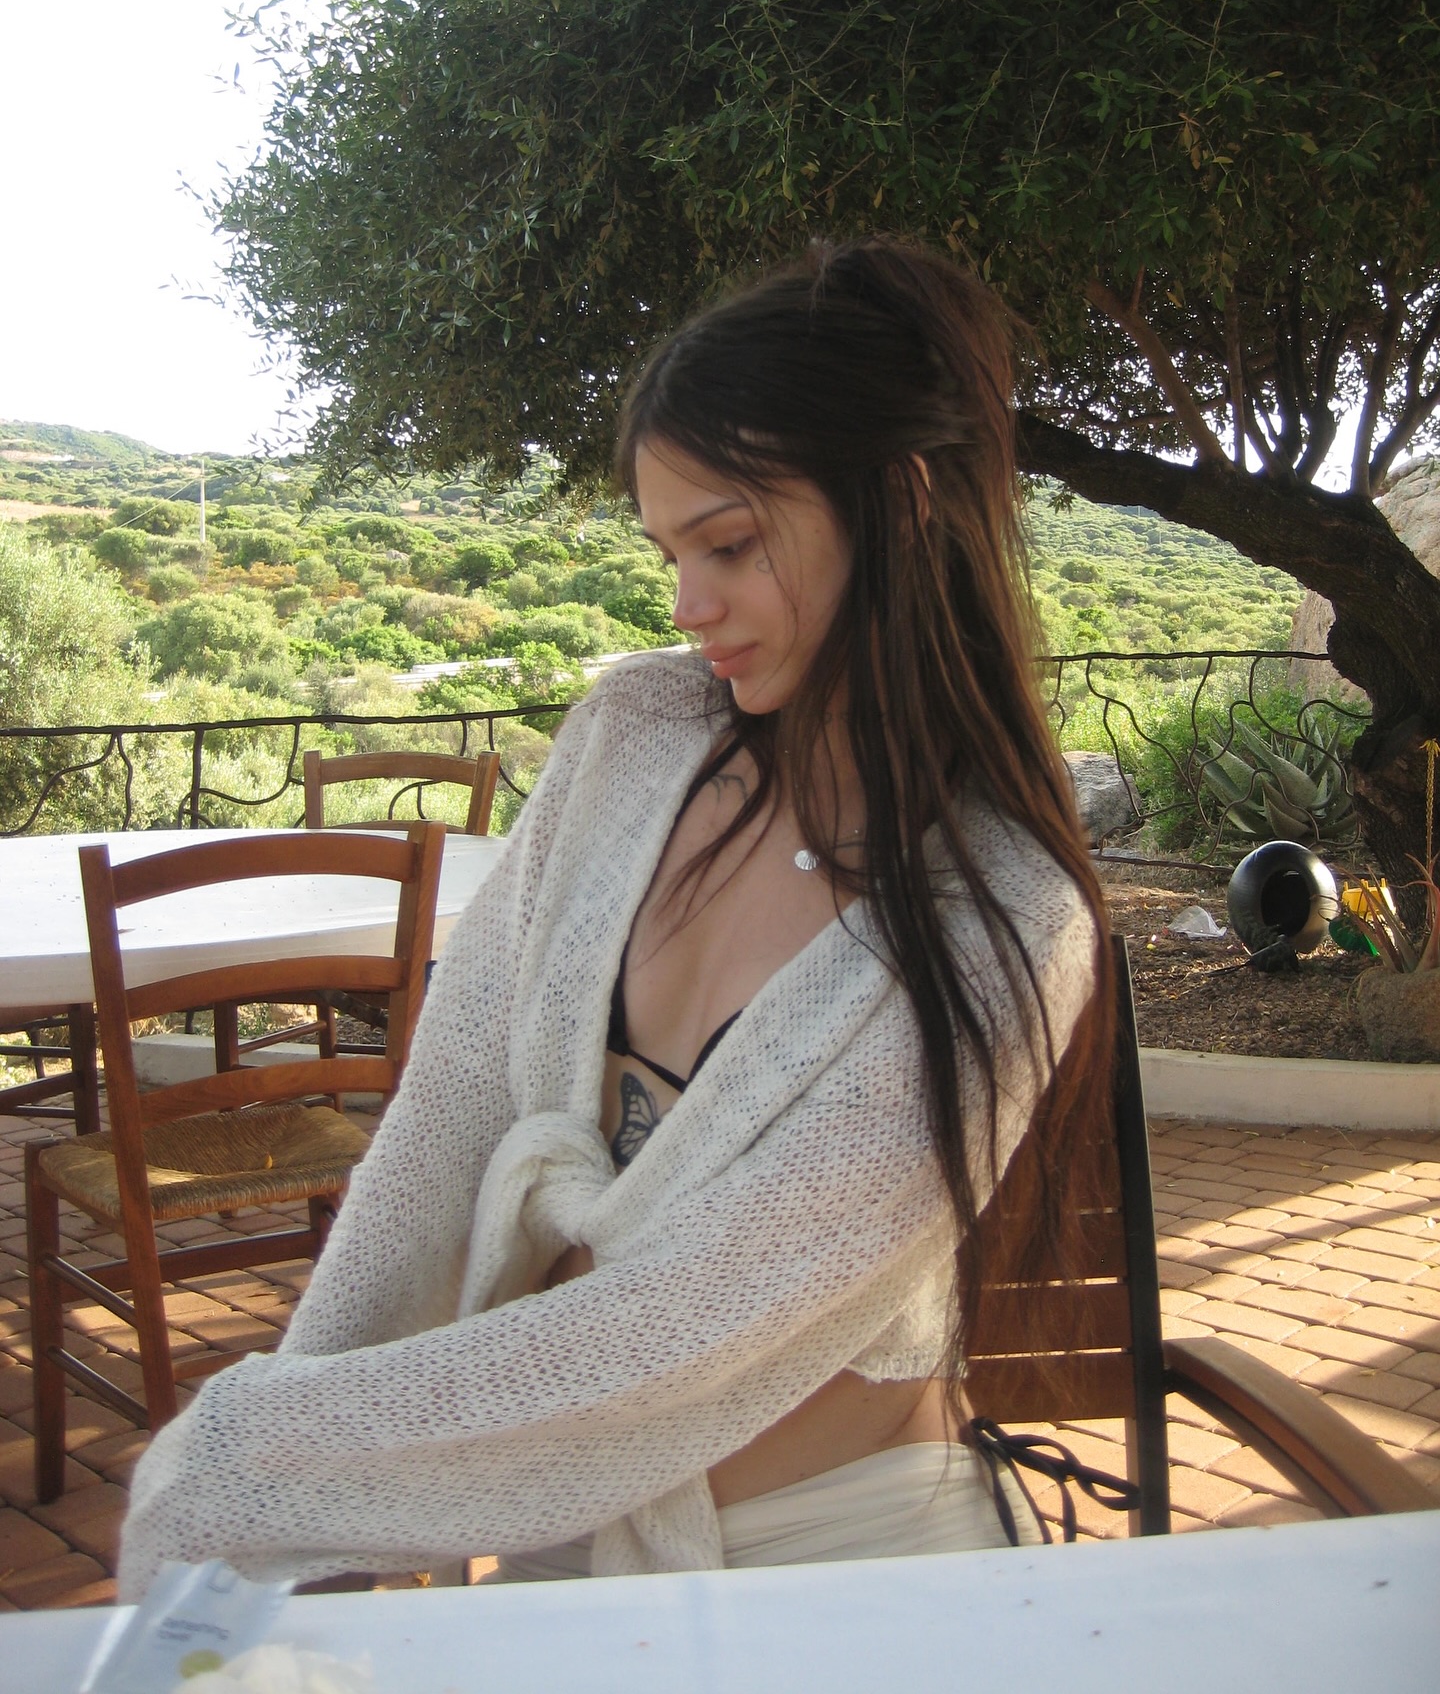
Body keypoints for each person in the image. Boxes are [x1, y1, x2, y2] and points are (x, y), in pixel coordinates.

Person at [118, 238, 1112, 1597]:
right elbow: (443, 1127)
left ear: (901, 499)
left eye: (731, 544)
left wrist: (273, 1454)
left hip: (845, 1566)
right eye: (669, 551)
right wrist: (284, 1495)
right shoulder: (630, 740)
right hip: (562, 1536)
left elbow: (683, 1329)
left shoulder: (1005, 920)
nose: (689, 606)